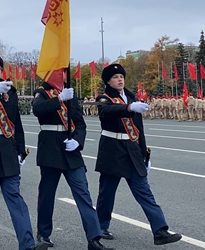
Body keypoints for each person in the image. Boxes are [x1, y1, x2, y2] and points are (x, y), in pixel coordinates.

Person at [95, 64, 182, 246]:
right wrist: (129, 108)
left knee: (144, 192)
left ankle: (160, 230)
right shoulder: (104, 98)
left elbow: (139, 130)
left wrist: (144, 155)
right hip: (112, 151)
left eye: (121, 76)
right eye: (115, 77)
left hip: (132, 151)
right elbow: (106, 112)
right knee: (107, 193)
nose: (120, 79)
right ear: (108, 81)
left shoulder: (132, 98)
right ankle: (101, 225)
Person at [0, 53, 48, 250]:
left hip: (6, 146)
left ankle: (27, 243)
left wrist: (20, 149)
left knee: (14, 195)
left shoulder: (10, 90)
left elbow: (16, 123)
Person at [32, 70, 112, 250]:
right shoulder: (43, 92)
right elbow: (38, 110)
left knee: (83, 193)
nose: (63, 76)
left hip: (70, 149)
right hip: (51, 147)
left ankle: (94, 238)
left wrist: (78, 140)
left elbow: (80, 122)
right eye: (59, 72)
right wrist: (59, 99)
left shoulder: (70, 92)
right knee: (47, 194)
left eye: (64, 73)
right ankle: (44, 234)